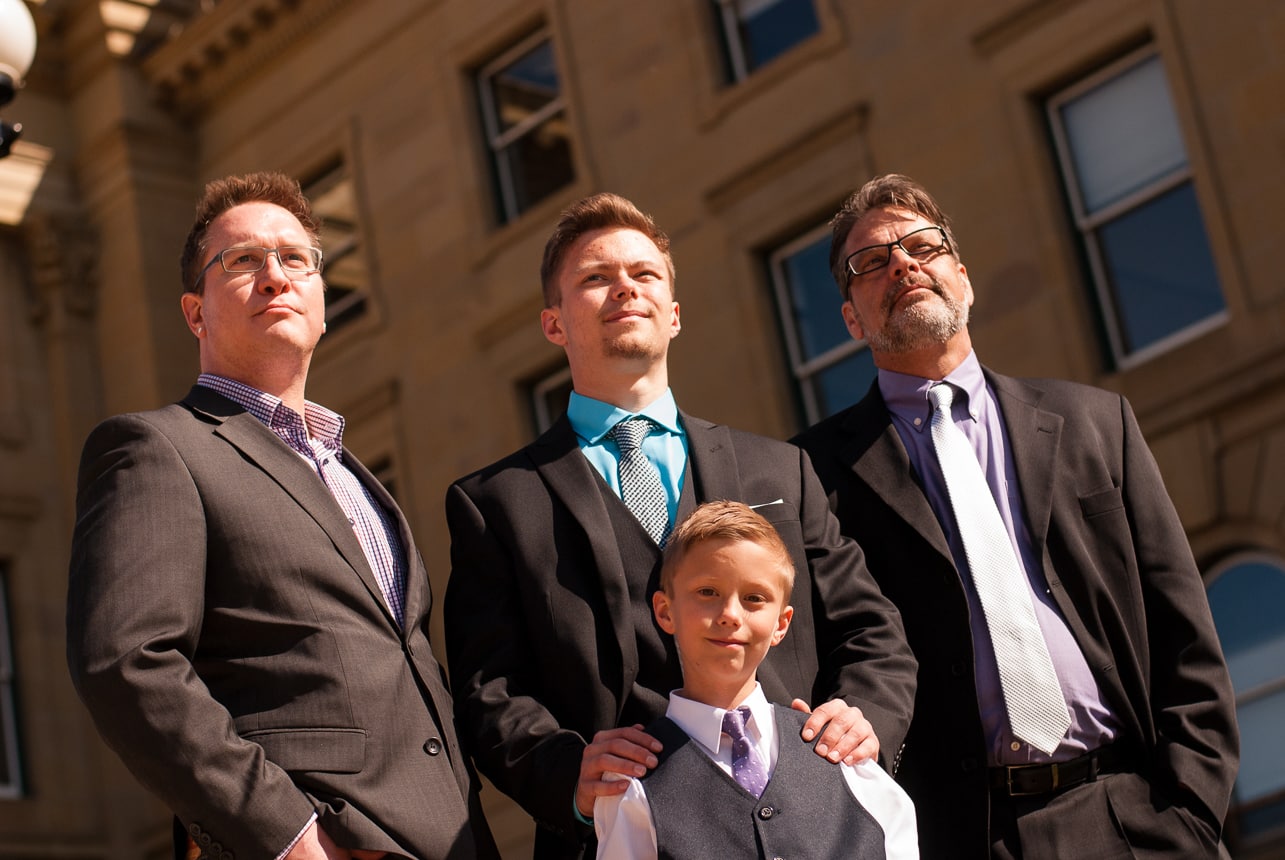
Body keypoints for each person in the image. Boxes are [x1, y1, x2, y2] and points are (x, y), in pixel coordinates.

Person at [444, 192, 917, 859]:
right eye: (594, 278)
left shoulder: (781, 472)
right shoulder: (496, 502)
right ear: (553, 324)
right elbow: (488, 688)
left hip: (808, 829)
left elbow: (872, 633)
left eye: (643, 274)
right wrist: (563, 773)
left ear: (672, 314)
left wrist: (863, 718)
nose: (622, 288)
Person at [791, 173, 1238, 859]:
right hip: (965, 834)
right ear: (851, 318)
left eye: (922, 246)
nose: (902, 265)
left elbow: (1181, 628)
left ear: (962, 279)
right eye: (871, 263)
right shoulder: (811, 475)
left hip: (1132, 814)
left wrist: (1190, 808)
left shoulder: (1093, 422)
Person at [67, 172, 498, 860]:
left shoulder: (351, 474)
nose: (275, 276)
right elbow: (126, 662)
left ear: (322, 300)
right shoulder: (155, 448)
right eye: (241, 262)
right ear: (195, 312)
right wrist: (287, 837)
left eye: (294, 259)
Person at [593, 501, 918, 860]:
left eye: (754, 598)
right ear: (665, 611)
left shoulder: (845, 758)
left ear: (781, 623)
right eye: (708, 592)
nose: (730, 614)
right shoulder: (634, 787)